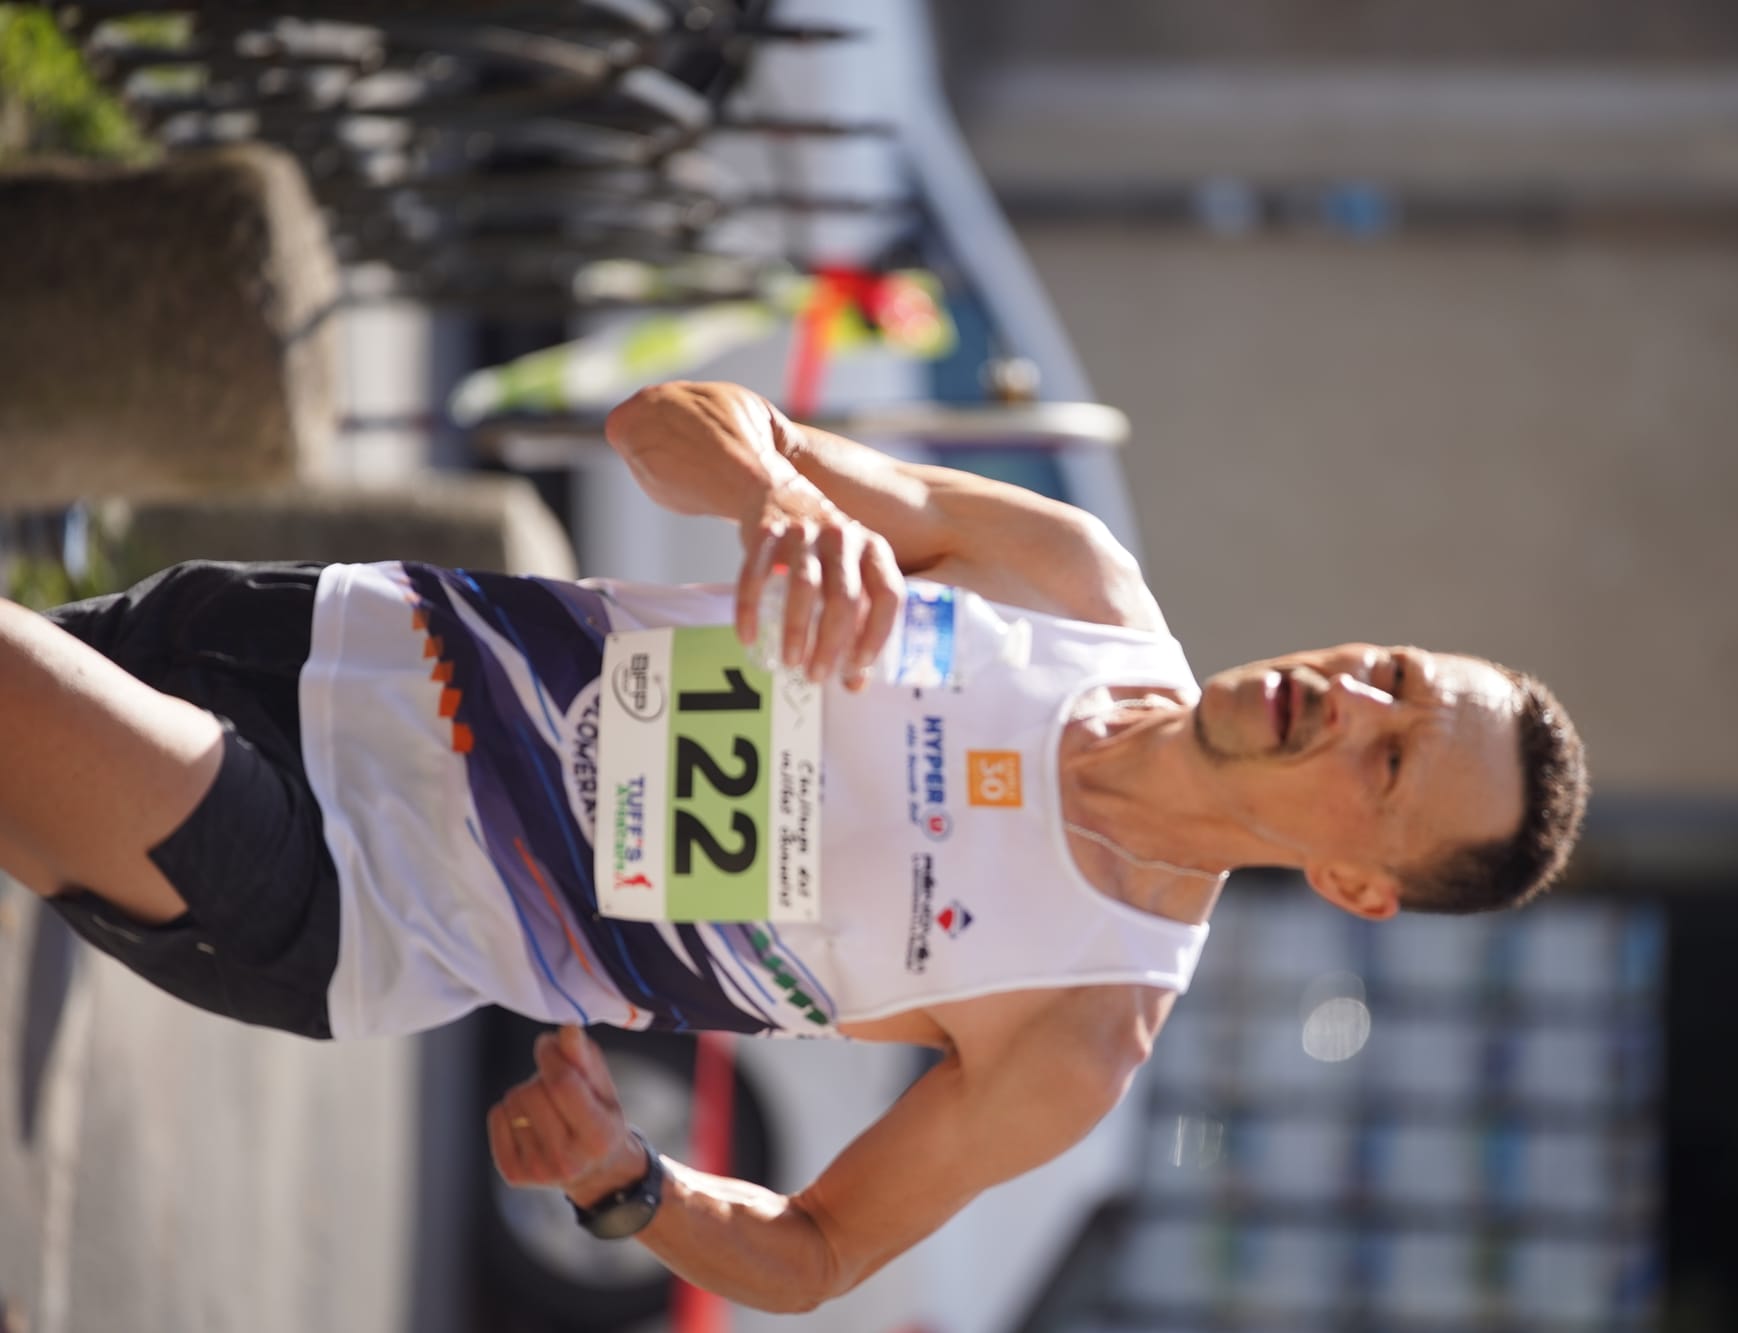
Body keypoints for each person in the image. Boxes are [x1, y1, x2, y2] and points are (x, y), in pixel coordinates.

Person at [0, 380, 1587, 1312]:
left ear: (1355, 886)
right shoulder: (1073, 586)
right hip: (322, 638)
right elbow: (657, 424)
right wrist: (773, 493)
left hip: (355, 903)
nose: (1347, 700)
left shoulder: (1083, 1025)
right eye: (1394, 672)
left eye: (1386, 760)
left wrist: (630, 1183)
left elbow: (816, 1252)